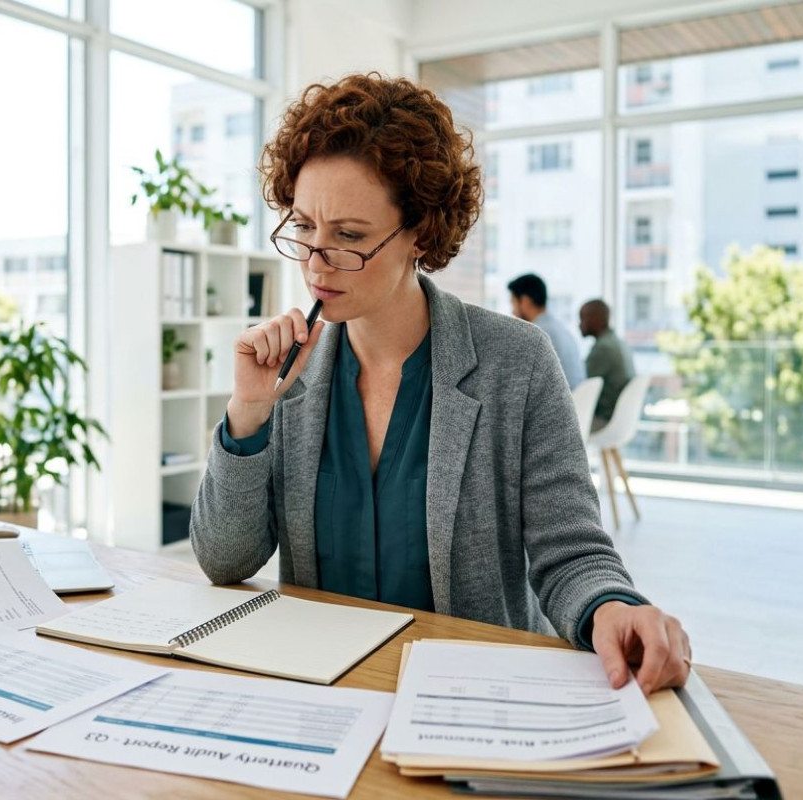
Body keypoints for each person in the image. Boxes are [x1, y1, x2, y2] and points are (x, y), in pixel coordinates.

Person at [189, 73, 690, 695]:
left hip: (472, 699)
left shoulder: (516, 360)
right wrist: (248, 414)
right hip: (323, 695)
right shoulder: (288, 369)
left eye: (349, 236)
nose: (317, 259)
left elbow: (571, 550)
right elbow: (223, 560)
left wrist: (613, 607)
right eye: (304, 226)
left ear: (420, 232)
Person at [508, 273, 584, 389]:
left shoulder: (536, 333)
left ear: (525, 301)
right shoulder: (561, 328)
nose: (512, 312)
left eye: (513, 303)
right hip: (575, 401)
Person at [579, 299, 636, 430]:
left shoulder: (603, 348)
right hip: (621, 419)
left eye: (582, 318)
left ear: (594, 319)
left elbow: (581, 383)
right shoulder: (618, 342)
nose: (580, 324)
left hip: (604, 420)